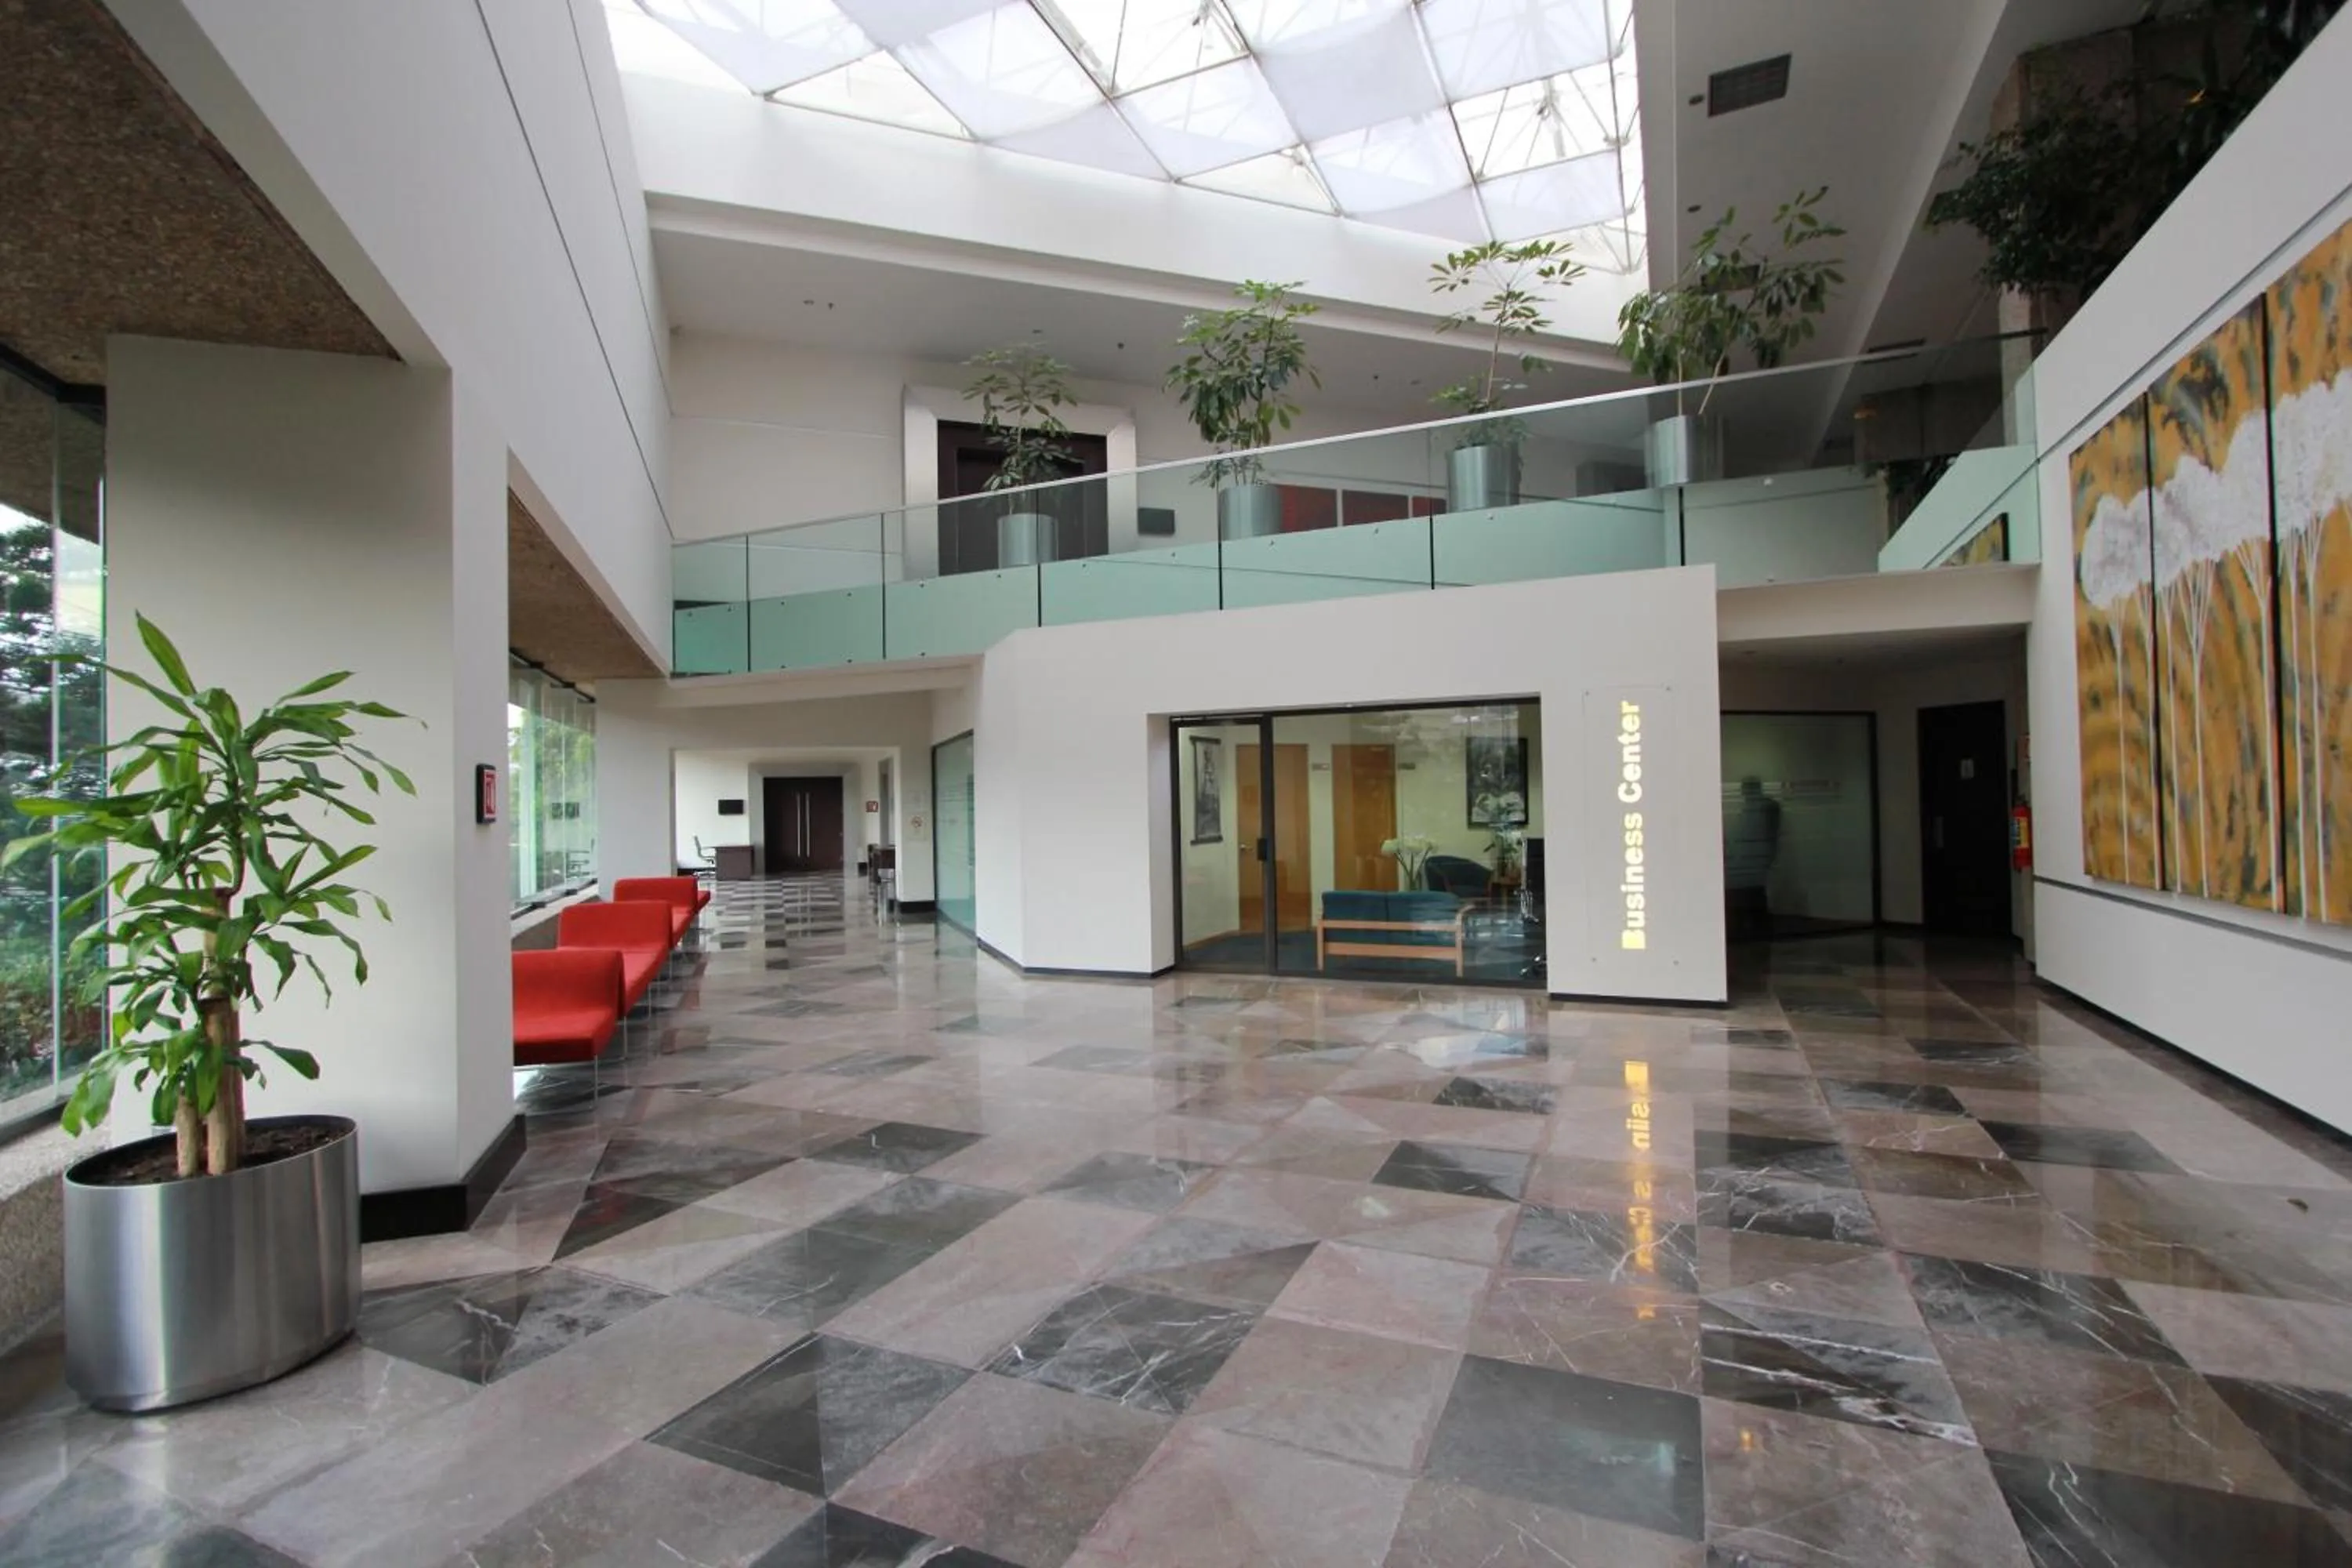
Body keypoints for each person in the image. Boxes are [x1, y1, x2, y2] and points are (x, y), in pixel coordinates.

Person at [1724, 777, 1783, 938]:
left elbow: (1769, 834)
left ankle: (1758, 929)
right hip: (1748, 859)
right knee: (1750, 894)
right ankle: (1754, 928)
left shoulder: (1765, 807)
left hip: (1755, 859)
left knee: (1754, 894)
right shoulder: (1750, 808)